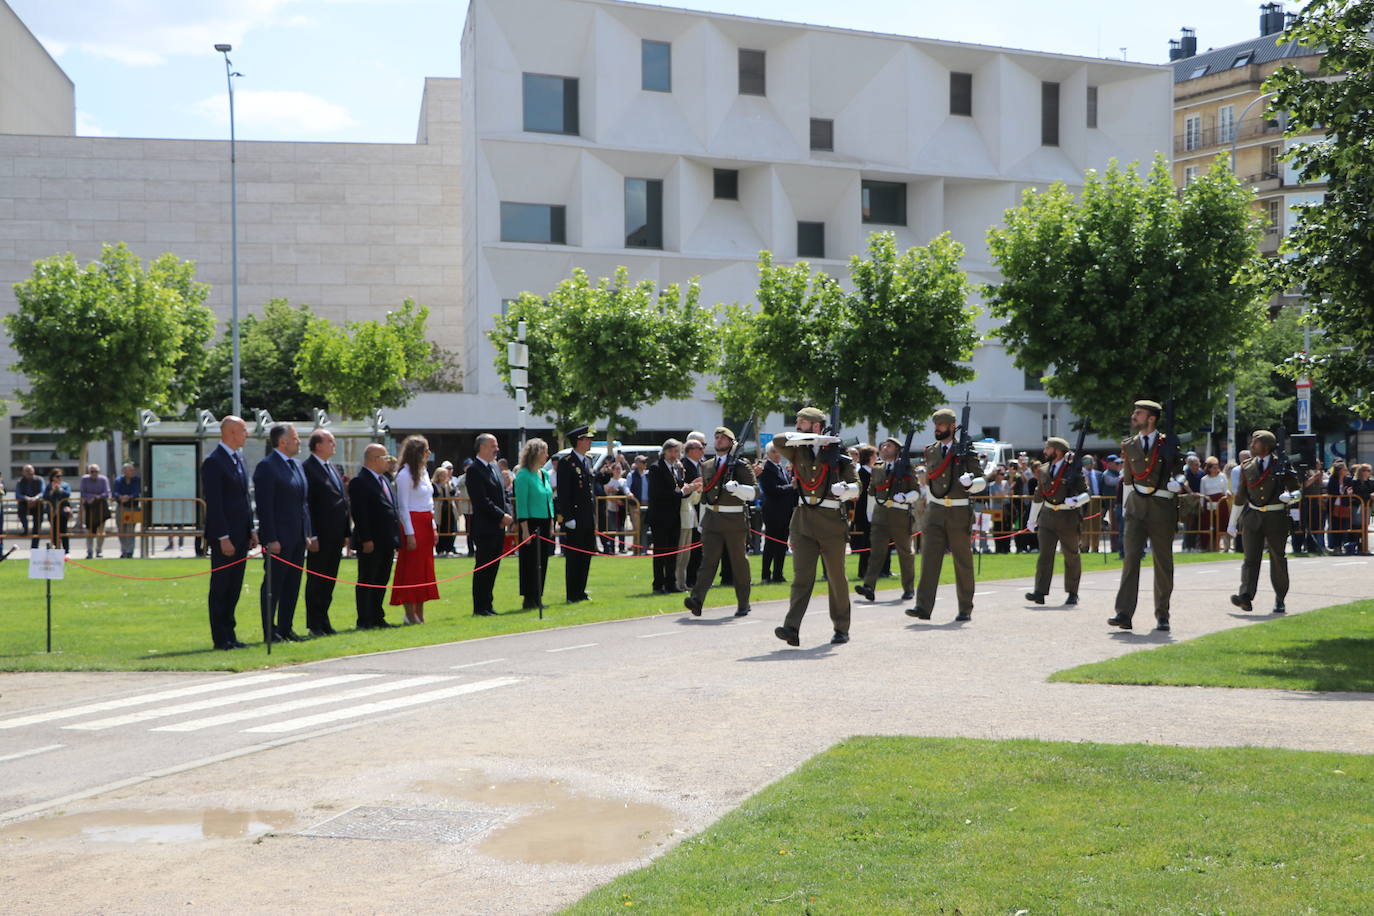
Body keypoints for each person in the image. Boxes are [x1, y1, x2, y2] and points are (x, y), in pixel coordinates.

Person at [773, 407, 860, 646]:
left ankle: (841, 627)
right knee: (801, 577)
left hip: (831, 520)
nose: (797, 426)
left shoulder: (839, 454)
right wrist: (809, 438)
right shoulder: (797, 450)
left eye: (803, 422)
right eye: (797, 422)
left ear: (816, 425)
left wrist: (845, 490)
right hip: (802, 520)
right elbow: (777, 440)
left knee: (835, 577)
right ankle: (792, 628)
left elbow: (857, 486)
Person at [1108, 400, 1186, 632]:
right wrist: (1123, 510)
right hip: (1135, 509)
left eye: (1139, 413)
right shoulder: (1130, 445)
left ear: (1151, 418)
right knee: (1130, 560)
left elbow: (1181, 473)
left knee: (1162, 563)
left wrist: (1177, 483)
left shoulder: (1168, 443)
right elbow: (1128, 481)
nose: (1134, 416)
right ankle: (1124, 613)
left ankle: (1162, 614)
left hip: (1162, 508)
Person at [907, 408, 987, 623]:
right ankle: (923, 607)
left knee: (962, 561)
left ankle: (965, 608)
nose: (937, 429)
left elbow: (982, 481)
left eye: (941, 426)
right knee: (929, 560)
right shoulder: (931, 451)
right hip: (935, 510)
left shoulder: (966, 451)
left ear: (952, 427)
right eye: (936, 426)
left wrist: (972, 483)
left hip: (958, 510)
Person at [1226, 430, 1301, 614]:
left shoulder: (1282, 464)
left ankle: (1280, 597)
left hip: (1276, 517)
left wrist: (1289, 497)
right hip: (1252, 516)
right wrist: (1232, 522)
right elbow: (1240, 496)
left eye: (1255, 443)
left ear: (1266, 447)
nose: (1252, 445)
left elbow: (1298, 492)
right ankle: (1245, 596)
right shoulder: (1246, 466)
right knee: (1250, 559)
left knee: (1277, 558)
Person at [254, 423, 316, 642]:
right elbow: (265, 506)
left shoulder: (297, 466)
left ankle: (285, 627)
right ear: (283, 442)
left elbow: (303, 503)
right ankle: (269, 631)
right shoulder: (267, 467)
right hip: (278, 538)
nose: (299, 442)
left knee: (292, 584)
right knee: (274, 585)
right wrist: (271, 538)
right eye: (296, 438)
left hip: (298, 537)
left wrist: (307, 532)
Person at [685, 427, 756, 618]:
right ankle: (697, 600)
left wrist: (738, 488)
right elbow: (706, 496)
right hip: (711, 519)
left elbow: (753, 493)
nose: (718, 440)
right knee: (708, 561)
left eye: (723, 438)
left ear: (732, 443)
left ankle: (743, 602)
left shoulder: (742, 465)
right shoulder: (707, 465)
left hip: (734, 519)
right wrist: (702, 520)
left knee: (738, 562)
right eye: (716, 437)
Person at [201, 416, 256, 650]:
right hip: (225, 537)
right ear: (231, 432)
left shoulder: (239, 459)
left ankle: (230, 633)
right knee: (222, 586)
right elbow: (215, 503)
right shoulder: (214, 462)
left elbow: (244, 498)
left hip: (241, 534)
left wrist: (251, 528)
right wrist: (223, 537)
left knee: (234, 587)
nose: (247, 435)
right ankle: (220, 637)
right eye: (244, 430)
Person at [1023, 437, 1091, 606]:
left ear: (1058, 451)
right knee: (1045, 555)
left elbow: (1087, 494)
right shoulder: (1044, 469)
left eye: (1048, 448)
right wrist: (1032, 520)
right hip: (1047, 518)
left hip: (1067, 517)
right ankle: (1040, 591)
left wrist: (1076, 500)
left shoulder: (1073, 470)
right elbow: (1039, 496)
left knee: (1071, 556)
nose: (1045, 451)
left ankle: (1072, 592)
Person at [856, 437, 919, 603]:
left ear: (897, 451)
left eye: (889, 446)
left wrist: (905, 497)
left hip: (900, 515)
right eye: (883, 445)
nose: (884, 448)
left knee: (905, 553)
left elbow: (916, 491)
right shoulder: (876, 469)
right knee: (876, 552)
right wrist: (870, 514)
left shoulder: (906, 468)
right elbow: (871, 492)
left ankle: (908, 588)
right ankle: (869, 586)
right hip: (880, 515)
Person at [303, 428, 350, 637]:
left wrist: (346, 533)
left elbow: (342, 502)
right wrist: (311, 535)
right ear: (318, 445)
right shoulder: (308, 468)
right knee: (316, 580)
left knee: (329, 580)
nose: (334, 444)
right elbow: (308, 505)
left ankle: (324, 620)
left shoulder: (332, 467)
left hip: (335, 535)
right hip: (319, 536)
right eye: (330, 441)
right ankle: (314, 623)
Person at [349, 444, 400, 630]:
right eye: (385, 457)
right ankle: (365, 619)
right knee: (367, 579)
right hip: (371, 541)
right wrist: (366, 539)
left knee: (381, 579)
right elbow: (360, 513)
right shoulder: (360, 481)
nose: (388, 461)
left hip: (386, 540)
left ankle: (378, 616)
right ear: (373, 459)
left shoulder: (384, 480)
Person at [390, 435, 440, 623]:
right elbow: (403, 506)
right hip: (412, 523)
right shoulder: (404, 475)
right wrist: (410, 533)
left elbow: (429, 503)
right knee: (411, 569)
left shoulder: (424, 472)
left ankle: (420, 611)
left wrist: (433, 526)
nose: (428, 453)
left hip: (426, 523)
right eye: (425, 450)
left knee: (424, 570)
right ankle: (409, 613)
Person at [467, 433, 513, 616]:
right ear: (482, 447)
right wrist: (501, 516)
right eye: (493, 446)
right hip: (485, 527)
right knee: (483, 567)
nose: (497, 449)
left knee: (493, 567)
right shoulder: (474, 470)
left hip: (498, 527)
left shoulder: (494, 468)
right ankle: (480, 607)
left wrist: (507, 513)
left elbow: (503, 496)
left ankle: (488, 604)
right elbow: (481, 500)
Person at [648, 439, 698, 594]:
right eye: (671, 451)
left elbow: (678, 488)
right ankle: (658, 584)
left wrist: (685, 486)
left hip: (674, 517)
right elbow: (660, 493)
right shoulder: (656, 468)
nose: (674, 455)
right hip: (660, 517)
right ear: (664, 452)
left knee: (672, 553)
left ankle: (671, 583)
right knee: (661, 552)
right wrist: (683, 491)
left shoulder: (676, 468)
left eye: (677, 451)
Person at [557, 426, 597, 602]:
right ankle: (572, 593)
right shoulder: (567, 462)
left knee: (586, 554)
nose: (590, 441)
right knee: (574, 556)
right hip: (574, 516)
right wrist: (568, 517)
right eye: (586, 439)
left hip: (587, 516)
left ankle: (581, 590)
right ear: (579, 441)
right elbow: (564, 493)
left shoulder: (588, 460)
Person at [514, 438, 555, 609]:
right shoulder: (523, 475)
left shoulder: (544, 474)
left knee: (542, 560)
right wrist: (524, 529)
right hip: (530, 523)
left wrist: (552, 522)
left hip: (545, 521)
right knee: (529, 561)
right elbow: (521, 503)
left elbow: (549, 500)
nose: (547, 455)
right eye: (544, 452)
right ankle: (528, 597)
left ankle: (538, 595)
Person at [758, 442, 796, 583]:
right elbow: (772, 490)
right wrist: (791, 487)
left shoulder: (782, 468)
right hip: (773, 512)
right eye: (774, 451)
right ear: (768, 454)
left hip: (785, 511)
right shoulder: (766, 469)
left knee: (781, 544)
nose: (778, 454)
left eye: (779, 451)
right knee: (770, 544)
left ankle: (778, 574)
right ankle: (765, 575)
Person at [677, 436, 705, 590]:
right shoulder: (685, 465)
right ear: (691, 451)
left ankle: (694, 579)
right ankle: (689, 580)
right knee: (690, 549)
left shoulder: (700, 465)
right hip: (688, 510)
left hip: (698, 511)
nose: (703, 451)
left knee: (697, 549)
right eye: (700, 448)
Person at [1197, 456, 1231, 552]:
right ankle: (1208, 547)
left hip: (1221, 503)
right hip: (1209, 504)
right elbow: (1202, 493)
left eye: (1217, 467)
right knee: (1209, 525)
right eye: (1214, 467)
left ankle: (1222, 547)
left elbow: (1225, 489)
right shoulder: (1204, 479)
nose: (1216, 469)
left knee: (1222, 525)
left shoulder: (1222, 476)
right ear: (1209, 468)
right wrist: (1201, 505)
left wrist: (1228, 493)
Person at [79, 463, 111, 559]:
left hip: (101, 506)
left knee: (101, 530)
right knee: (89, 530)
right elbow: (82, 492)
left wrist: (98, 497)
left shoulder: (103, 479)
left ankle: (99, 550)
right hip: (89, 507)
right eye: (92, 471)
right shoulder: (84, 479)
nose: (94, 473)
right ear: (89, 472)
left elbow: (107, 492)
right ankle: (89, 551)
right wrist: (91, 497)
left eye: (96, 471)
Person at [112, 463, 141, 558]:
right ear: (124, 471)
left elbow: (137, 492)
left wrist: (129, 497)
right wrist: (120, 497)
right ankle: (124, 550)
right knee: (121, 529)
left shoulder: (137, 480)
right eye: (130, 470)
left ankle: (130, 551)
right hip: (121, 507)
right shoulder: (119, 480)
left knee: (130, 530)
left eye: (133, 470)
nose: (133, 472)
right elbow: (115, 492)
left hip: (133, 507)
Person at [41, 468, 72, 553]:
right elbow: (45, 497)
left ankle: (66, 551)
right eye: (57, 476)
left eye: (60, 476)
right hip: (52, 512)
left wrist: (60, 490)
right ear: (53, 477)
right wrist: (52, 491)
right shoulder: (49, 486)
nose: (59, 478)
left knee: (63, 531)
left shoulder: (65, 485)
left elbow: (68, 494)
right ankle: (56, 550)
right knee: (54, 532)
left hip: (62, 512)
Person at [625, 454, 652, 553]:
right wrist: (629, 493)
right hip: (635, 504)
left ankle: (643, 549)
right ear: (637, 464)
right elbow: (626, 486)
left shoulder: (649, 474)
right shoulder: (631, 475)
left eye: (645, 462)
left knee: (644, 528)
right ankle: (636, 550)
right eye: (643, 462)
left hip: (647, 504)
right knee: (637, 528)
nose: (645, 464)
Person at [1327, 461, 1354, 553]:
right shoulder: (1333, 479)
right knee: (1335, 526)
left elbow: (1350, 490)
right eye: (1344, 469)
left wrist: (1346, 493)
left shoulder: (1348, 479)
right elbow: (1331, 491)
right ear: (1339, 471)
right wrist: (1341, 493)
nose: (1346, 471)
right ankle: (1336, 546)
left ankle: (1343, 545)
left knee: (1344, 526)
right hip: (1334, 506)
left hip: (1345, 505)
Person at [432, 466, 459, 557]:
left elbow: (453, 493)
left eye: (446, 475)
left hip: (449, 510)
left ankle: (449, 549)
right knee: (440, 529)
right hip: (439, 510)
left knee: (450, 529)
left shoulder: (450, 484)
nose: (444, 477)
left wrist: (448, 485)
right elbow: (435, 494)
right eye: (442, 475)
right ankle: (440, 550)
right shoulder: (434, 484)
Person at [16, 464, 43, 549]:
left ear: (34, 471)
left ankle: (34, 548)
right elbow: (18, 494)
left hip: (37, 504)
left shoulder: (39, 480)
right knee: (21, 512)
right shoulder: (20, 481)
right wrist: (27, 499)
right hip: (25, 503)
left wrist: (35, 499)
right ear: (23, 473)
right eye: (27, 471)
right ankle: (25, 528)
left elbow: (43, 492)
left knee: (37, 527)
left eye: (31, 471)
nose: (29, 473)